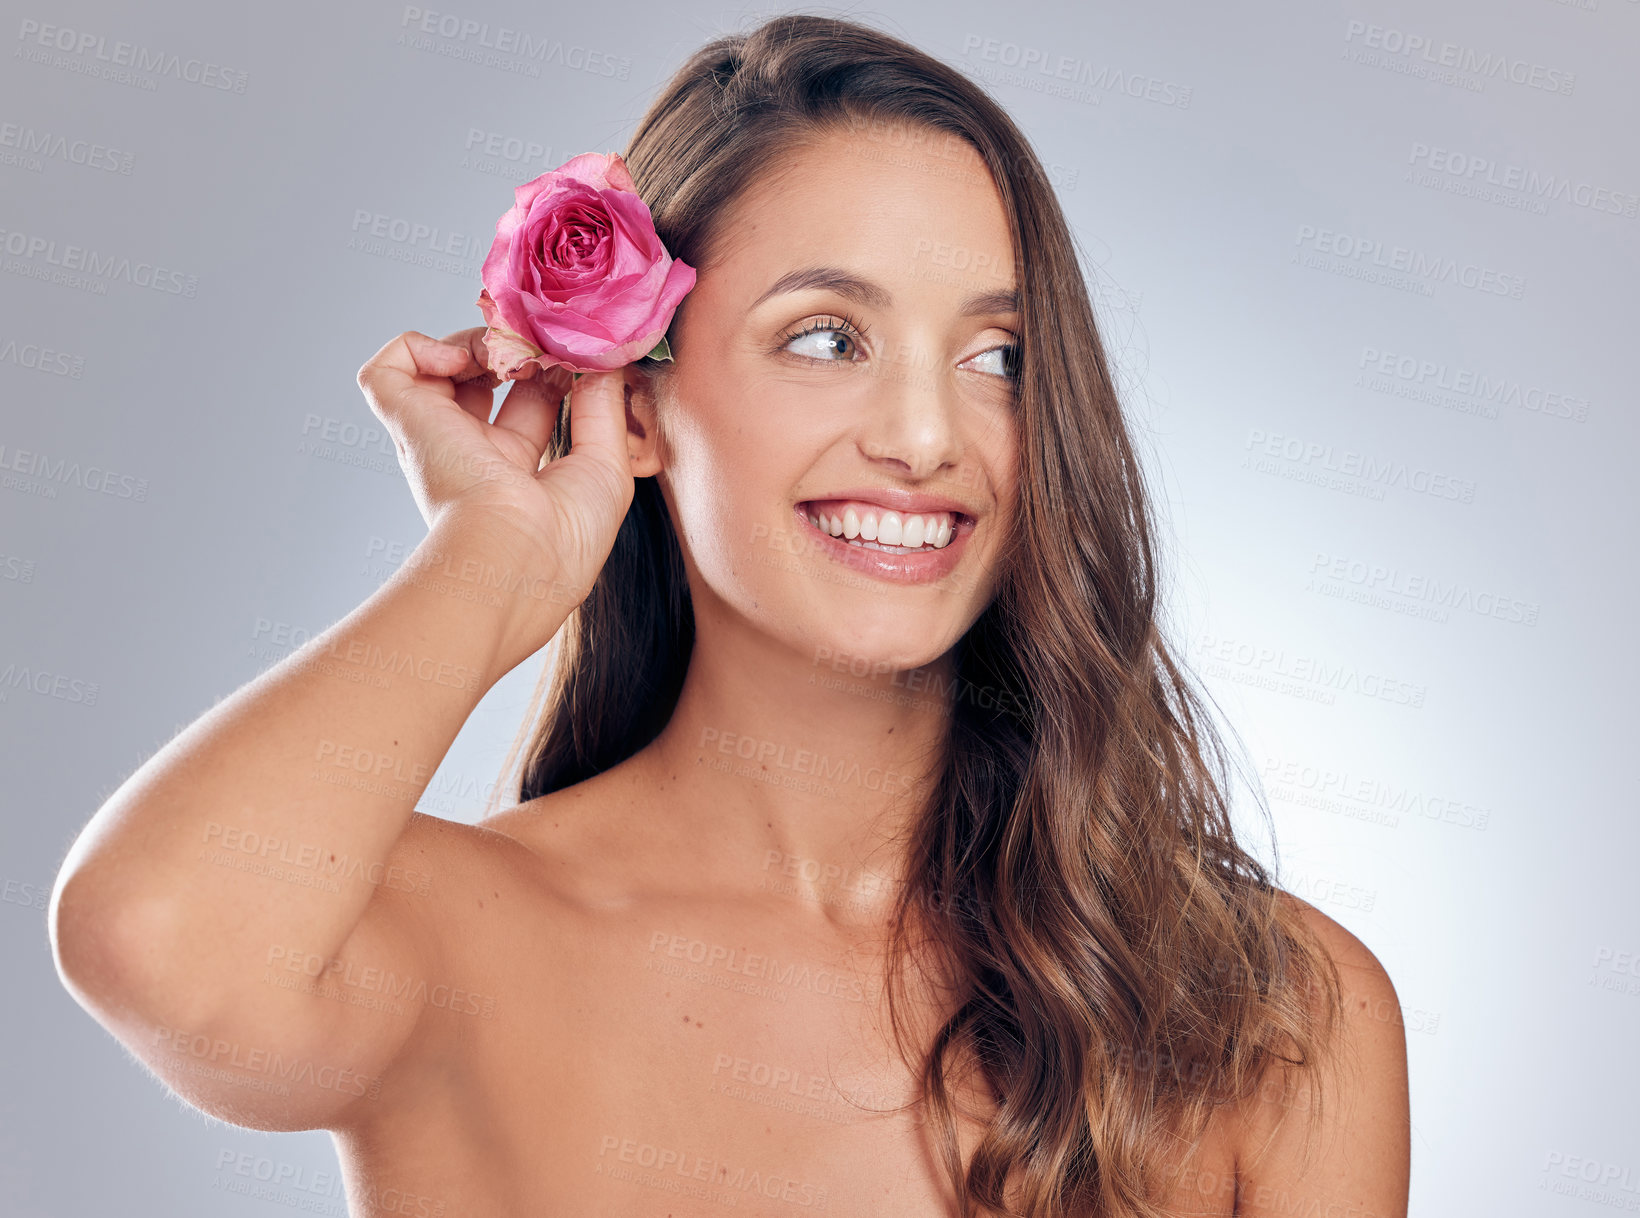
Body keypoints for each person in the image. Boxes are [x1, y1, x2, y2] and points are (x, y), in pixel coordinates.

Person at [48, 14, 1409, 1218]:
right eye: (828, 337)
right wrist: (499, 555)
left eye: (997, 356)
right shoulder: (451, 945)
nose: (931, 436)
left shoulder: (1272, 1010)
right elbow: (152, 937)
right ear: (638, 403)